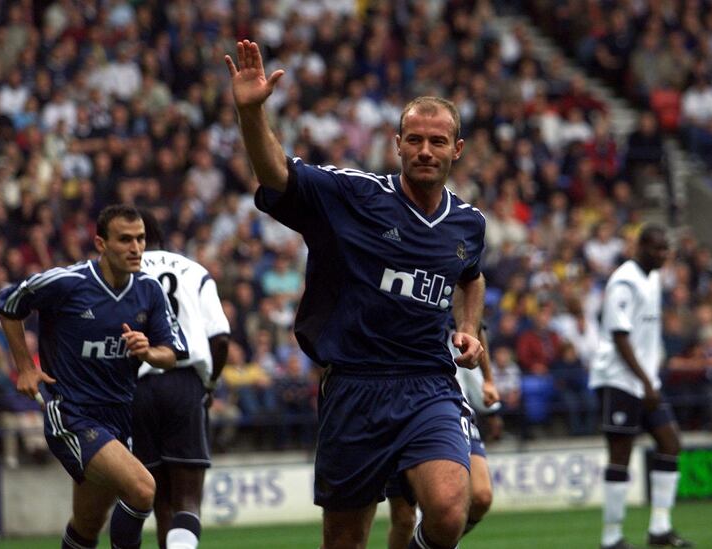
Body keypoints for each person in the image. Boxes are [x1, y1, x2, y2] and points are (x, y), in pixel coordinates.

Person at [225, 40, 486, 549]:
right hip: (354, 387)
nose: (425, 151)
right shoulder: (354, 196)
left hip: (428, 383)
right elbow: (276, 173)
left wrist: (469, 329)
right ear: (397, 144)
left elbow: (470, 276)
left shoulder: (468, 223)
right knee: (345, 540)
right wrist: (252, 113)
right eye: (414, 140)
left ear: (457, 149)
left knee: (452, 509)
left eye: (437, 141)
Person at [0, 204, 186, 549]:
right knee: (143, 489)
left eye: (140, 238)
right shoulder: (68, 283)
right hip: (72, 413)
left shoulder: (149, 291)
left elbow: (171, 354)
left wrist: (148, 352)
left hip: (118, 418)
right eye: (125, 239)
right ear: (100, 243)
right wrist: (24, 366)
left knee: (87, 524)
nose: (136, 248)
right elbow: (9, 303)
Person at [589, 224, 693, 549]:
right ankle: (612, 537)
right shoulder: (624, 280)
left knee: (670, 442)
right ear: (640, 248)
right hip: (619, 379)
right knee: (621, 453)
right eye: (658, 249)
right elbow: (619, 335)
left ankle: (659, 528)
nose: (663, 255)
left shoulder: (652, 278)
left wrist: (651, 377)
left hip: (645, 380)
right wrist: (646, 381)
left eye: (666, 250)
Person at [132, 211, 230, 549]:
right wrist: (210, 384)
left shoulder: (120, 274)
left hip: (138, 388)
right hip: (184, 383)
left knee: (160, 504)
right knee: (187, 500)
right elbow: (220, 338)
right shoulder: (195, 272)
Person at [387, 325, 501, 549]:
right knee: (404, 518)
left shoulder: (452, 296)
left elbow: (475, 327)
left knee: (480, 496)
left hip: (448, 401)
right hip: (394, 398)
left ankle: (441, 541)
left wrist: (488, 380)